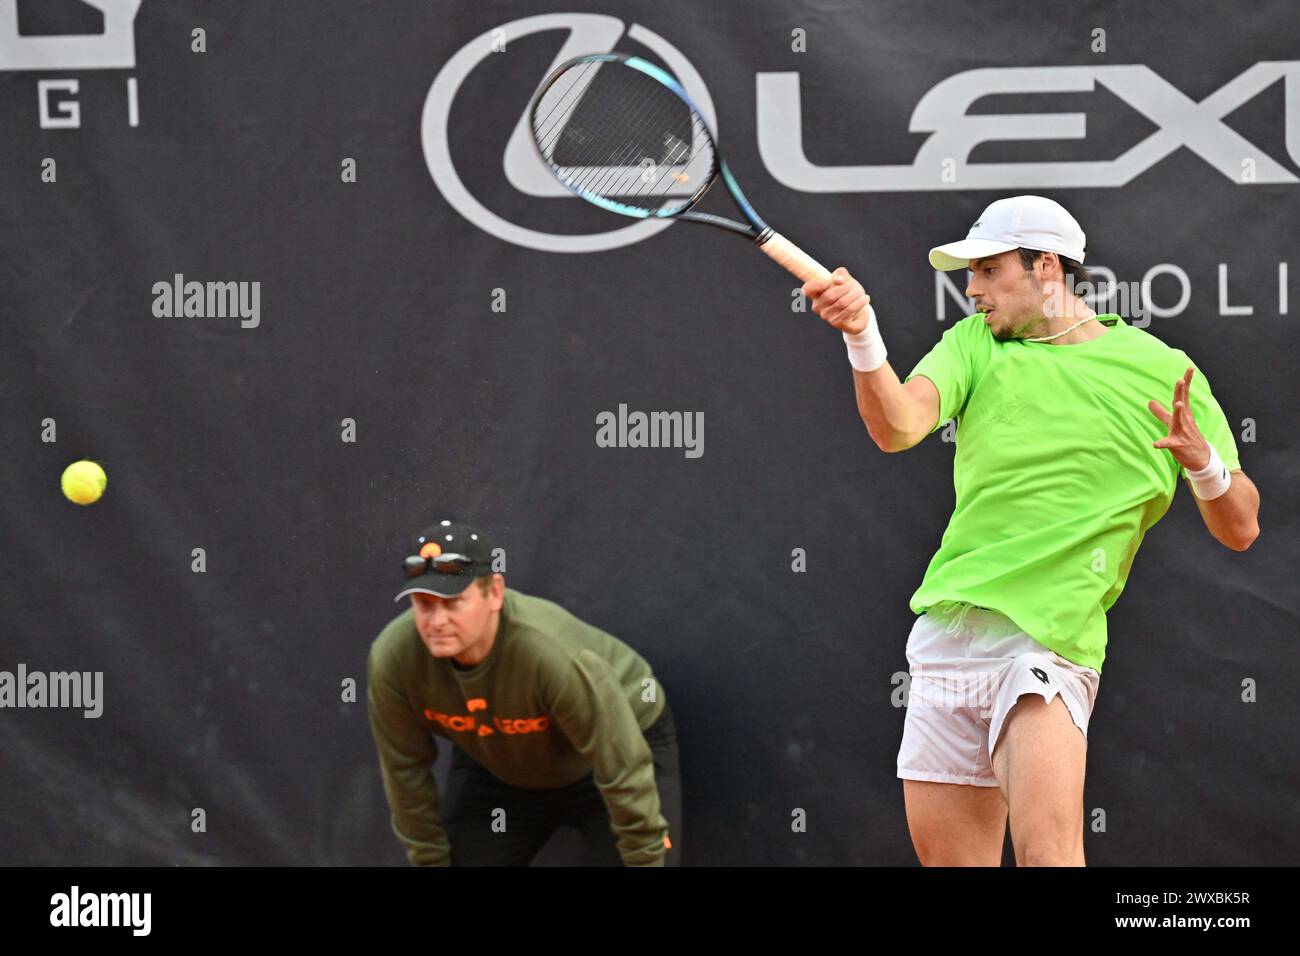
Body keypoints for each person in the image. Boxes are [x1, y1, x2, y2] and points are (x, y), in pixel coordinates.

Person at [802, 195, 1261, 866]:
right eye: (972, 273)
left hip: (1046, 642)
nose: (973, 288)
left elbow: (1241, 526)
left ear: (1045, 267)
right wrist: (862, 334)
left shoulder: (1162, 371)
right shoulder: (974, 344)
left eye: (989, 271)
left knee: (1049, 857)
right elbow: (898, 425)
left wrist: (1206, 465)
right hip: (948, 637)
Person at [366, 519, 680, 866]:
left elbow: (622, 766)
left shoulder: (551, 655)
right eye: (423, 604)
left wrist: (646, 858)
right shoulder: (395, 659)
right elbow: (405, 774)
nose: (436, 621)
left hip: (610, 755)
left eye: (453, 602)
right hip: (500, 764)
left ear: (495, 593)